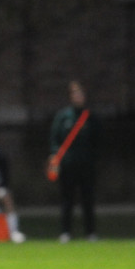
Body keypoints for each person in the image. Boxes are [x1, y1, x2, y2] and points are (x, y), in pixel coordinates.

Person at [49, 80, 99, 242]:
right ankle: (65, 232)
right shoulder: (63, 116)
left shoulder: (90, 117)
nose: (79, 97)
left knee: (88, 199)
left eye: (81, 94)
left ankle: (90, 232)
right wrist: (55, 157)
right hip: (67, 165)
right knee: (67, 200)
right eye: (75, 94)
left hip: (86, 165)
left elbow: (98, 140)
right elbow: (54, 139)